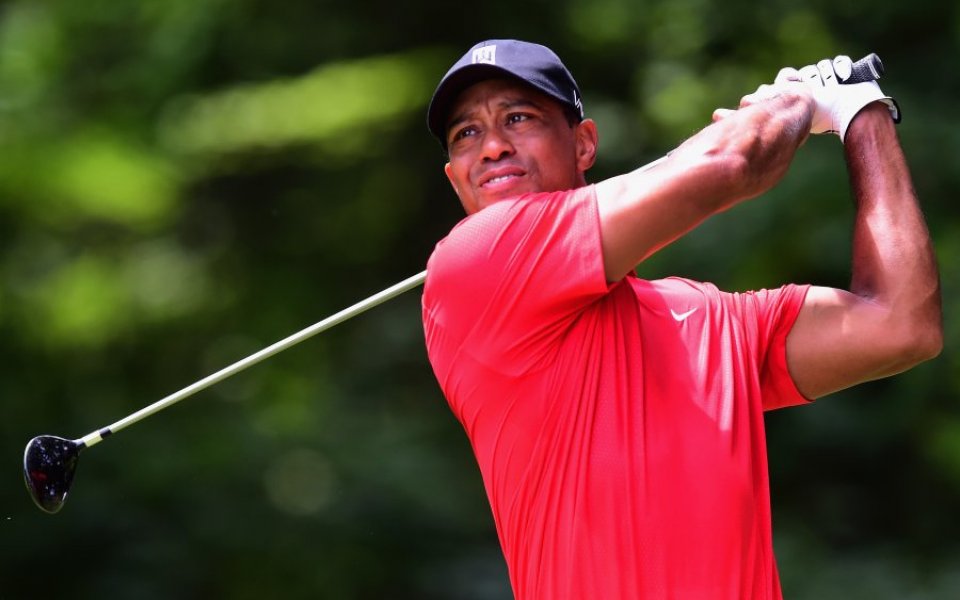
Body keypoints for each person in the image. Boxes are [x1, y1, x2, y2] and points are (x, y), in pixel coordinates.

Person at [420, 39, 942, 599]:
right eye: (466, 133)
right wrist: (797, 99)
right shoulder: (468, 262)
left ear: (584, 143)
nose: (493, 147)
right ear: (455, 178)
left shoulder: (708, 316)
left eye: (518, 118)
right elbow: (731, 162)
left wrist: (862, 113)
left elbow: (901, 325)